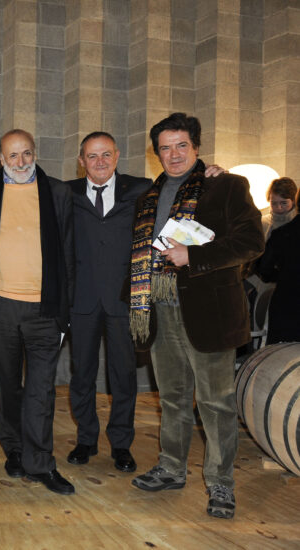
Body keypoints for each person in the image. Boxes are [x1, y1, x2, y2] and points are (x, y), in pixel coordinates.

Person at [129, 113, 263, 519]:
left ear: (197, 147)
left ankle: (221, 484)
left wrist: (195, 256)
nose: (173, 154)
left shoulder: (226, 186)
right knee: (170, 399)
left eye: (181, 145)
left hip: (210, 312)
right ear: (157, 154)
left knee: (216, 403)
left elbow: (251, 242)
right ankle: (171, 468)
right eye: (165, 148)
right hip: (159, 309)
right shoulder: (147, 198)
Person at [0, 129, 75, 495]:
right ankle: (14, 449)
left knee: (41, 390)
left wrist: (65, 313)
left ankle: (41, 463)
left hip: (44, 310)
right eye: (11, 156)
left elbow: (68, 254)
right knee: (8, 386)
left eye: (26, 154)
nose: (20, 162)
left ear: (36, 153)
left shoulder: (59, 193)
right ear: (0, 160)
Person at [65, 132, 152, 473]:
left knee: (123, 376)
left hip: (123, 300)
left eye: (105, 155)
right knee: (81, 374)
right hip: (82, 301)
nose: (99, 162)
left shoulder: (142, 189)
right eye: (91, 156)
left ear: (116, 156)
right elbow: (28, 190)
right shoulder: (66, 193)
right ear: (81, 160)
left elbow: (181, 188)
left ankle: (121, 443)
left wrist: (211, 174)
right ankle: (86, 439)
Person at [258, 185, 300, 344]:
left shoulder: (282, 234)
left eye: (284, 203)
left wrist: (284, 275)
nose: (278, 208)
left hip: (287, 304)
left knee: (282, 358)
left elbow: (265, 271)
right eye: (274, 203)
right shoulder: (267, 225)